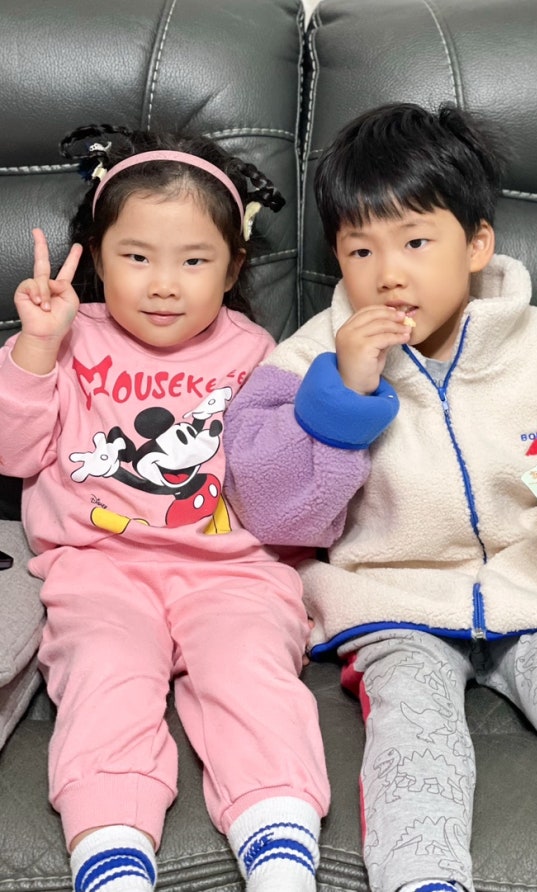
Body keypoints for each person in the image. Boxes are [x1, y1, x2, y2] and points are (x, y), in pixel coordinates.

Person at [222, 102, 537, 892]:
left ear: (476, 245)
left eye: (416, 242)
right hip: (394, 603)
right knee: (412, 737)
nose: (388, 273)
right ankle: (422, 879)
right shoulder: (308, 359)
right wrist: (341, 397)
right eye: (360, 250)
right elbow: (270, 506)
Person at [0, 125, 329, 892]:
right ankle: (113, 852)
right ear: (96, 256)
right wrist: (35, 350)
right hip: (100, 569)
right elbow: (12, 454)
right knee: (105, 673)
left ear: (234, 266)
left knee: (251, 673)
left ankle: (280, 849)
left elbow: (279, 479)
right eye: (137, 257)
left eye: (194, 261)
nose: (163, 285)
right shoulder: (64, 338)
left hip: (233, 572)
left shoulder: (256, 353)